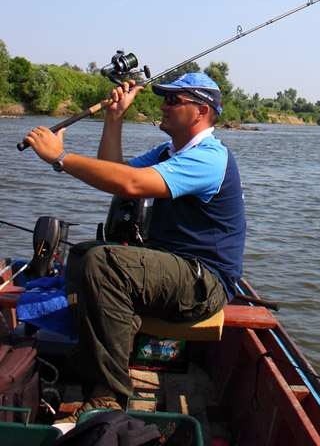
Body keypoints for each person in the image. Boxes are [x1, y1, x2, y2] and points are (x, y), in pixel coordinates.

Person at [25, 72, 246, 419]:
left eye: (174, 100)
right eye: (164, 98)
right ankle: (98, 355)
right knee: (83, 256)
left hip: (205, 282)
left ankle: (106, 395)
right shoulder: (169, 151)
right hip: (174, 267)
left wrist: (61, 158)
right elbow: (114, 175)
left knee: (105, 263)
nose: (164, 105)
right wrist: (114, 119)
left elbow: (131, 184)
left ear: (202, 110)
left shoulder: (209, 157)